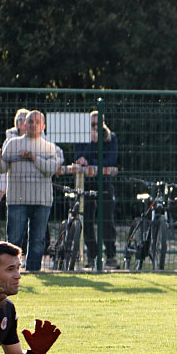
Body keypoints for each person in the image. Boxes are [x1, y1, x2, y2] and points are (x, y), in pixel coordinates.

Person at [0, 110, 63, 272]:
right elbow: (2, 169)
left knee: (37, 241)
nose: (33, 125)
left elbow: (51, 169)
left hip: (41, 201)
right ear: (24, 124)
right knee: (14, 240)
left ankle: (33, 272)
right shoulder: (12, 144)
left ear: (43, 126)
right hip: (17, 200)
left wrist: (34, 158)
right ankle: (10, 271)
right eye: (30, 122)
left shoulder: (49, 147)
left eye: (37, 122)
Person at [73, 110, 120, 268]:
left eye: (98, 124)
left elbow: (110, 160)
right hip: (86, 183)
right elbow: (79, 158)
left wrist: (91, 162)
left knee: (106, 219)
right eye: (92, 124)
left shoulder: (111, 138)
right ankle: (92, 255)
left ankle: (111, 255)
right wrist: (92, 144)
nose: (95, 127)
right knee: (86, 219)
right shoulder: (81, 138)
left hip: (104, 182)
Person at [0, 108, 30, 207]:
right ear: (16, 123)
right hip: (14, 190)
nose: (22, 122)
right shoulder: (9, 141)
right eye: (20, 120)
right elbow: (3, 167)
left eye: (26, 120)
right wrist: (0, 190)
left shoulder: (39, 140)